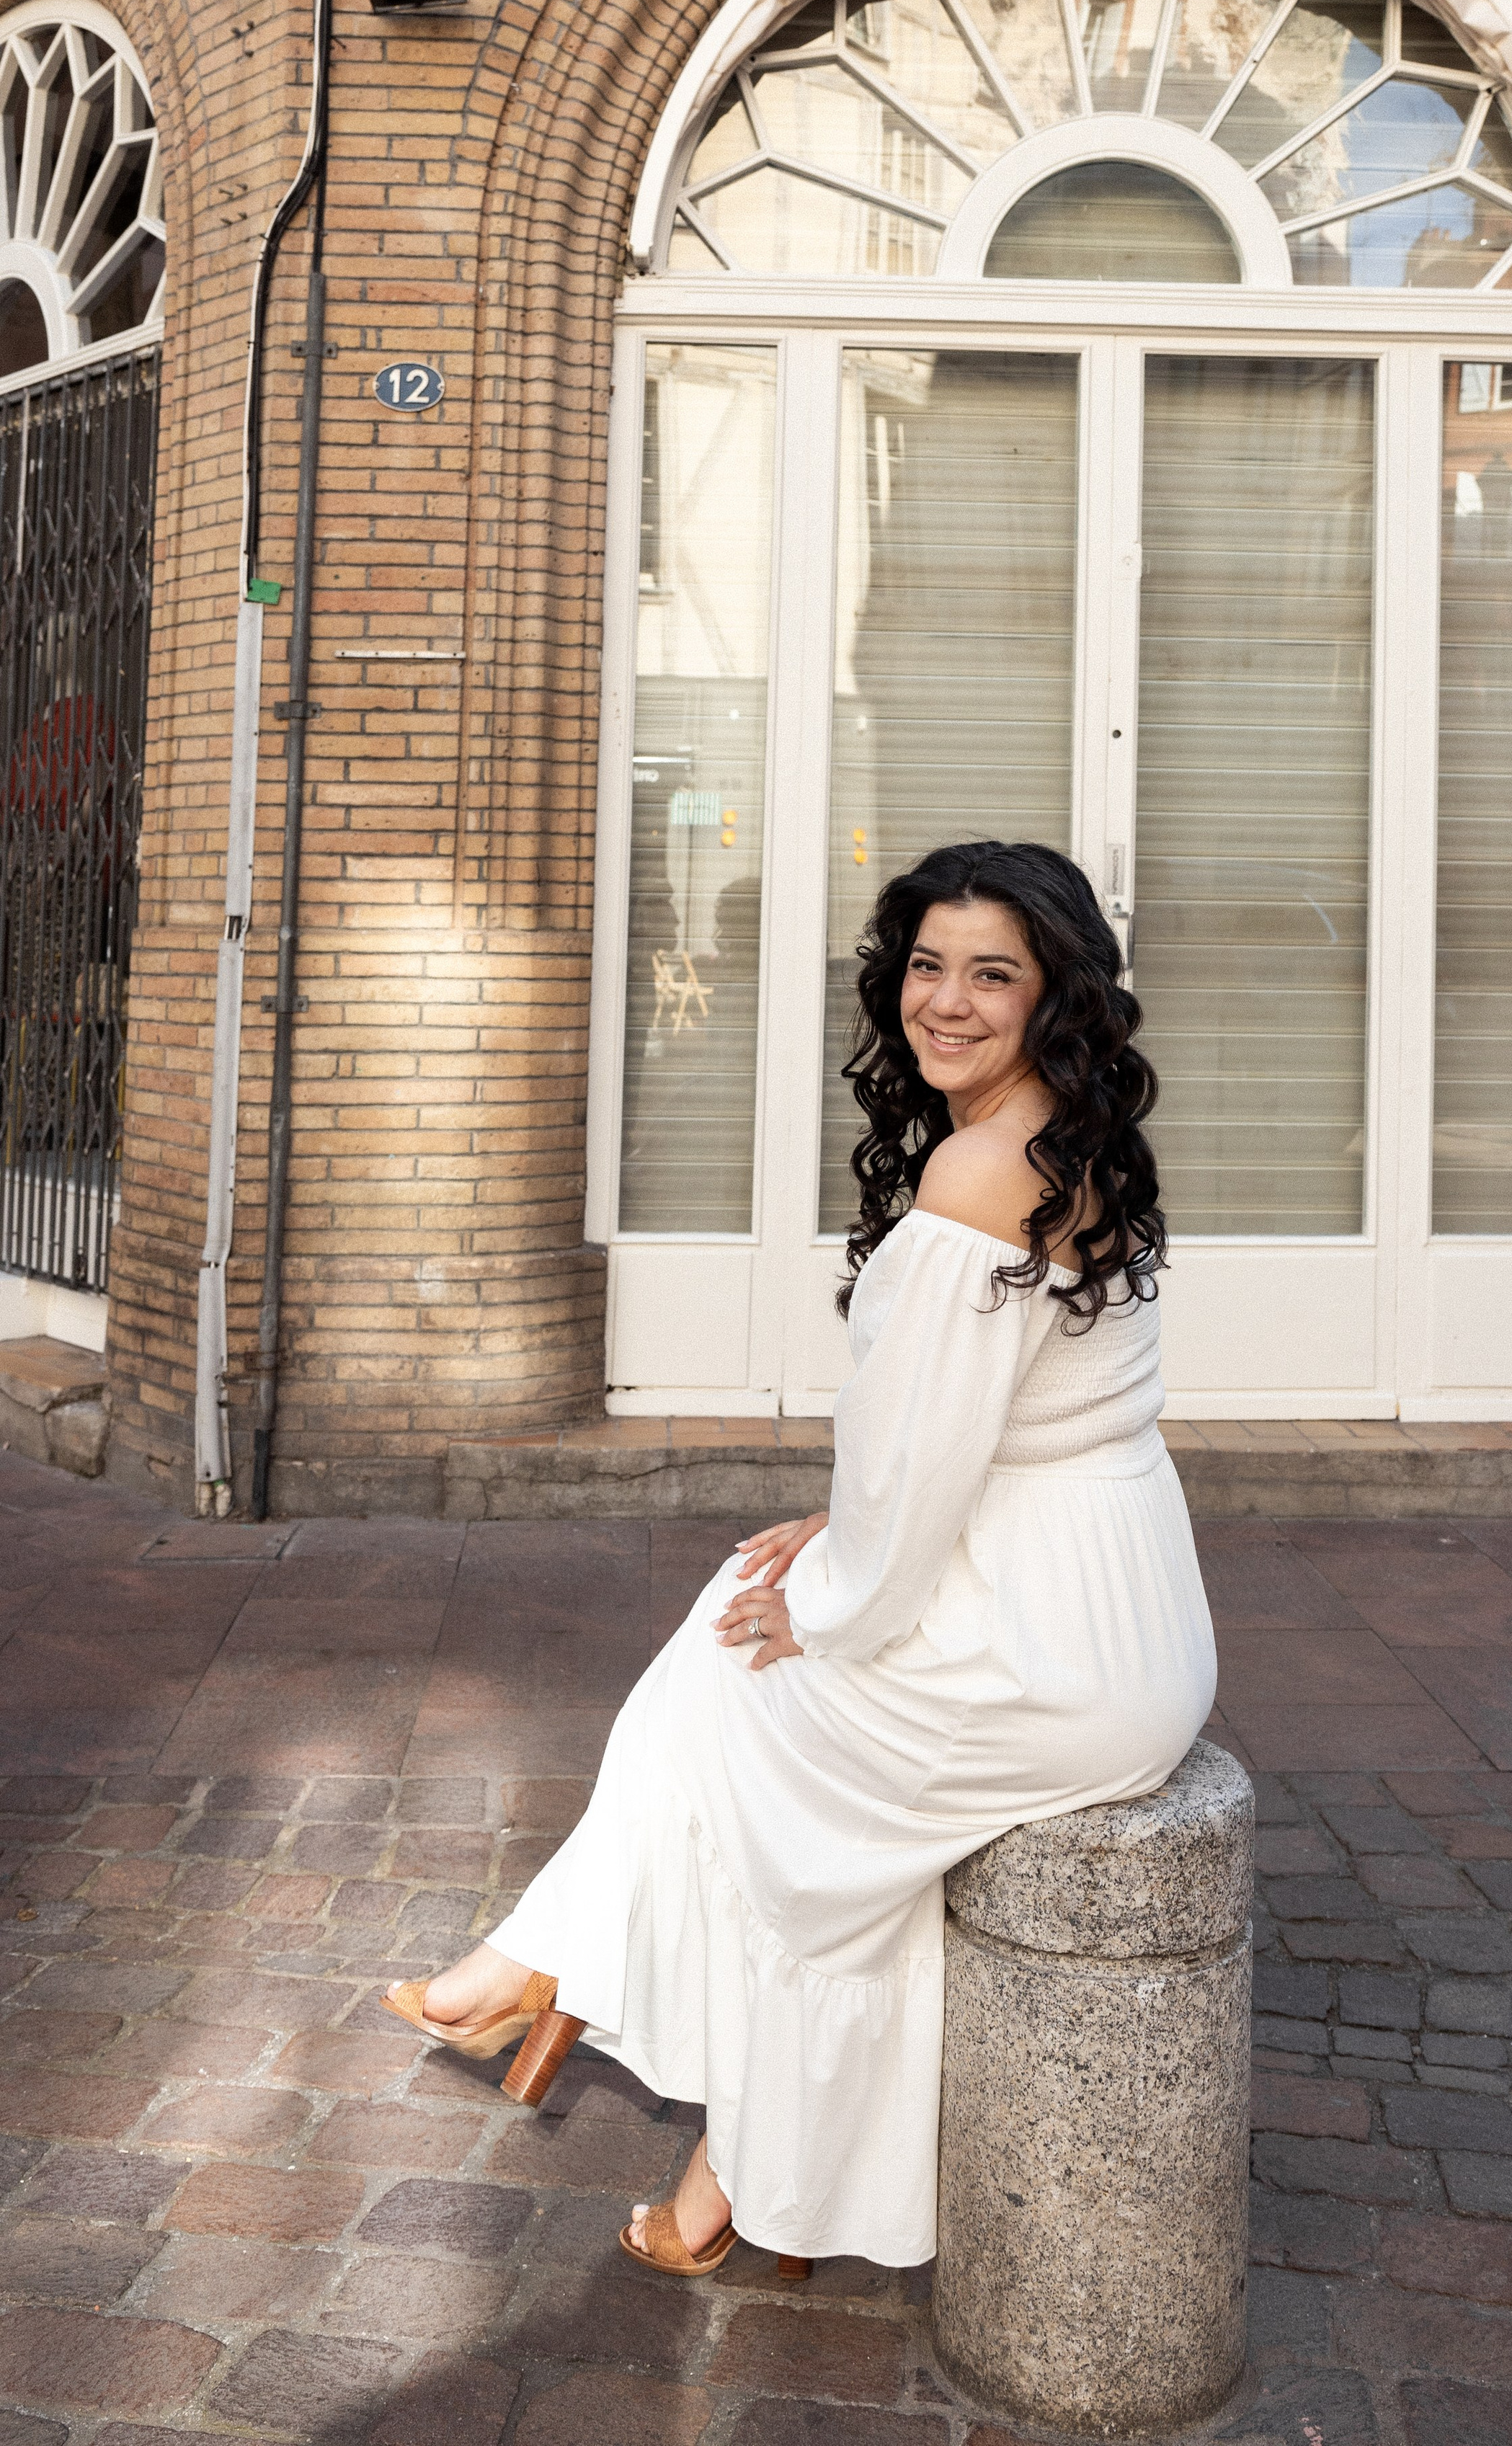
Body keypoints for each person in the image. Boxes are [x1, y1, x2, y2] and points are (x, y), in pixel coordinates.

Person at [381, 840, 1216, 2276]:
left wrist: (826, 1604)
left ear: (1053, 996)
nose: (943, 1001)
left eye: (989, 974)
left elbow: (916, 1474)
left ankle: (540, 1976)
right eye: (925, 965)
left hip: (1049, 1649)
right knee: (775, 1738)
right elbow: (1006, 1418)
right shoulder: (1064, 1139)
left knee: (735, 1729)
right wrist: (831, 1542)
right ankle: (704, 2161)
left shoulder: (978, 1171)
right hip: (1111, 1615)